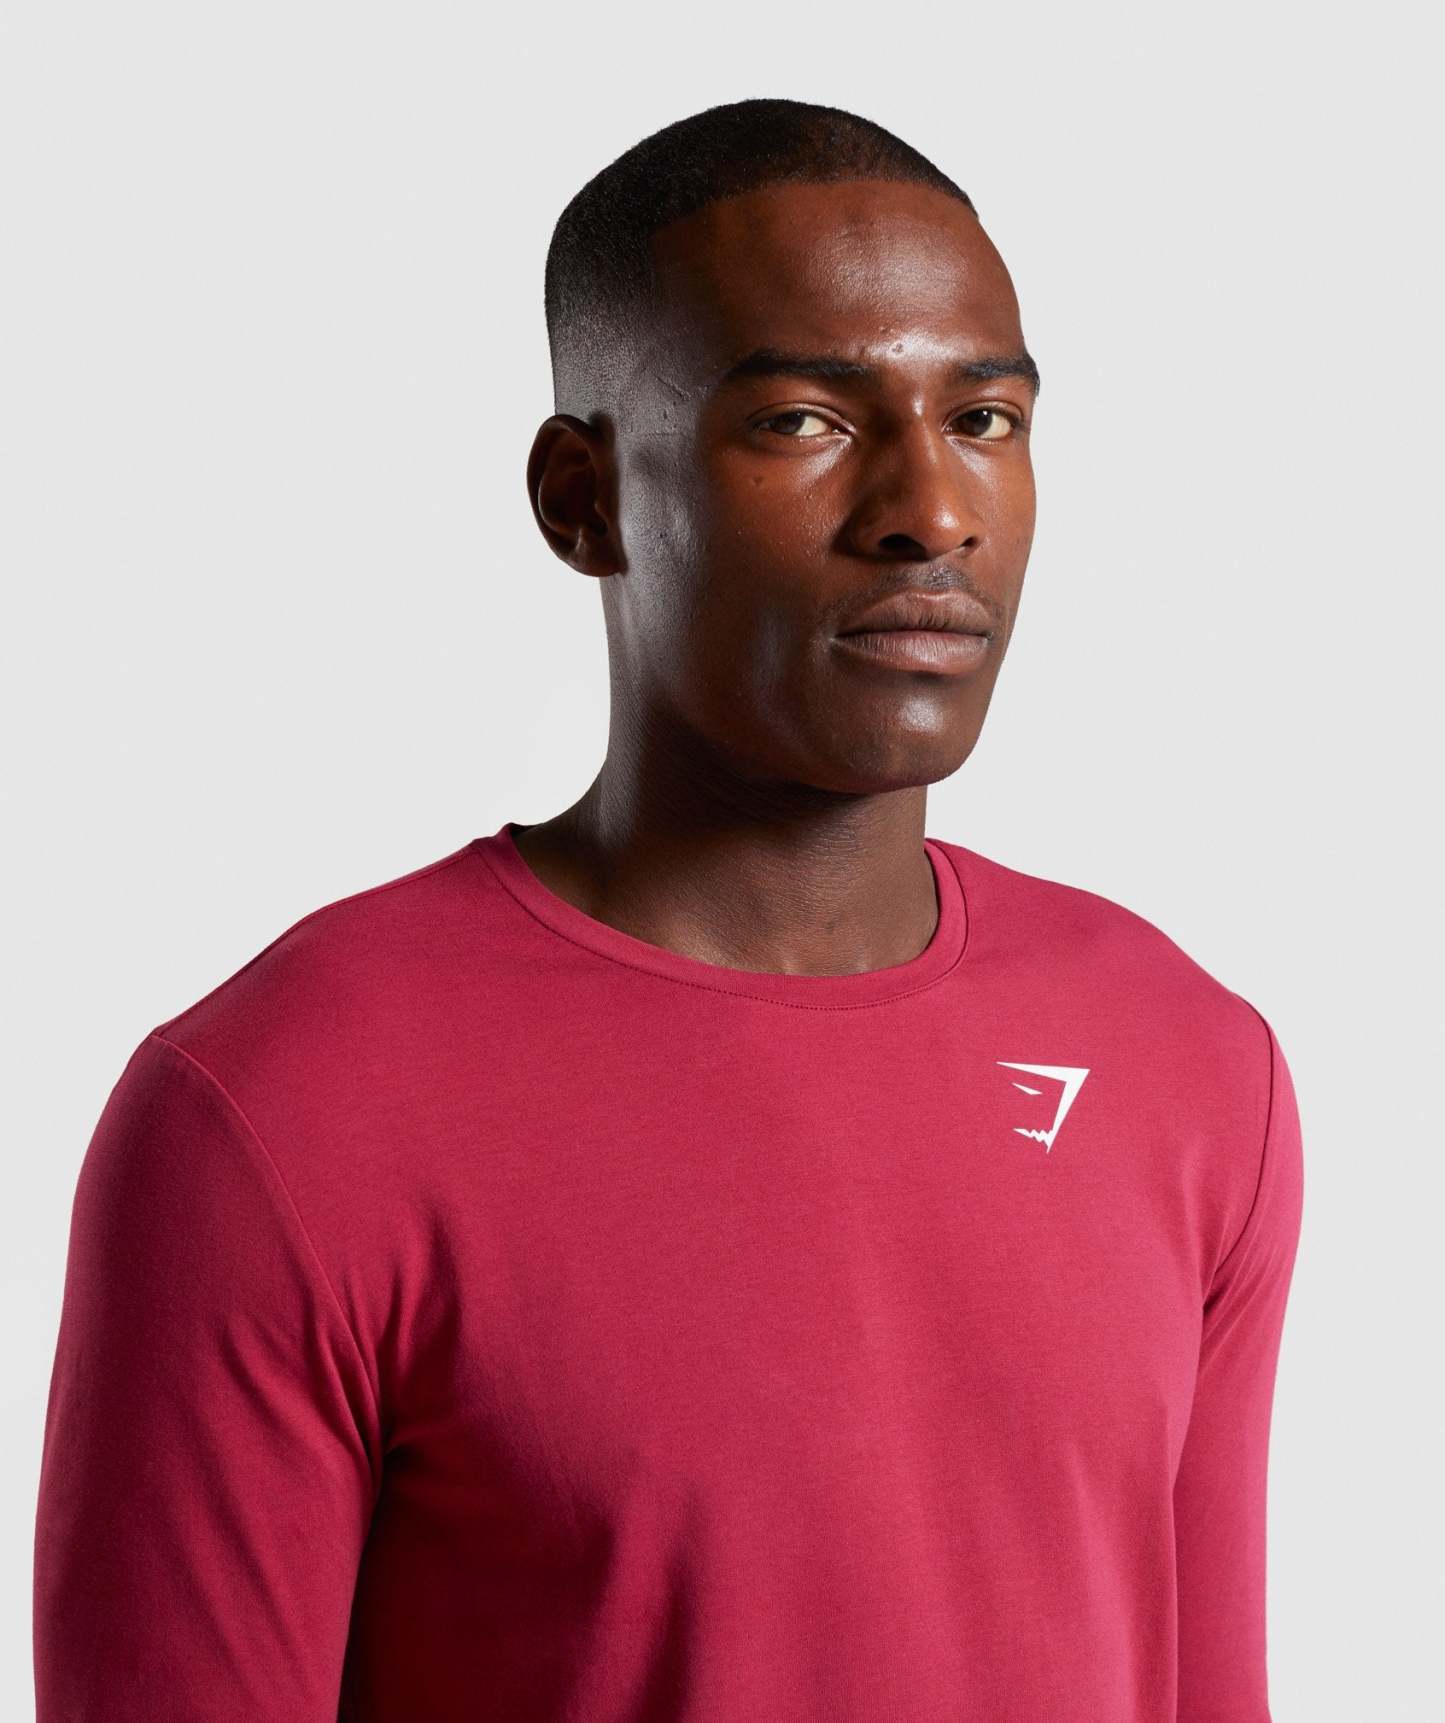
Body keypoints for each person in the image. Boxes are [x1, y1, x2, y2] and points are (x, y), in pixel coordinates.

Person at [33, 97, 1304, 1722]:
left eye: (983, 417)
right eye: (802, 421)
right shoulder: (285, 1110)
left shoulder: (1182, 1059)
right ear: (583, 498)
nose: (931, 510)